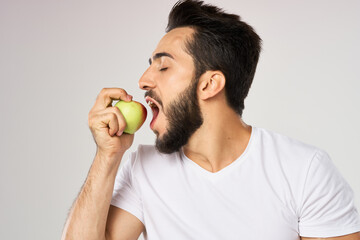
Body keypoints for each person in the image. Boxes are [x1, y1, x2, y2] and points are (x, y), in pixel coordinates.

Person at [61, 0, 360, 239]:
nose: (143, 81)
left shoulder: (303, 170)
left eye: (163, 67)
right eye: (149, 66)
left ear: (209, 84)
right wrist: (107, 155)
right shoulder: (144, 169)